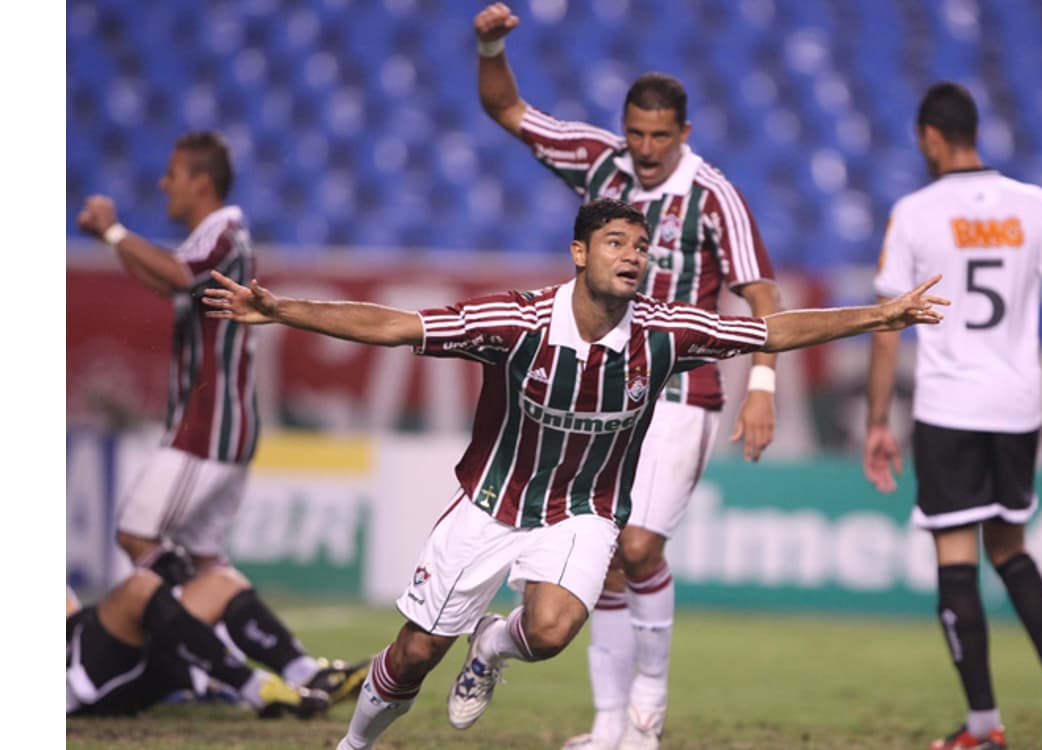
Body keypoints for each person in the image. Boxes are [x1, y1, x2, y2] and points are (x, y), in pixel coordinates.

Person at [201, 198, 948, 750]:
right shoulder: (516, 322)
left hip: (585, 512)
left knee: (554, 629)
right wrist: (285, 310)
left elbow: (767, 329)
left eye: (641, 245)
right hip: (493, 505)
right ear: (579, 254)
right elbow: (400, 327)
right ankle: (355, 743)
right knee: (416, 652)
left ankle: (492, 647)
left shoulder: (665, 332)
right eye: (616, 242)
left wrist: (880, 317)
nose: (633, 255)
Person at [474, 6, 784, 747]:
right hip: (601, 382)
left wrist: (763, 385)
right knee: (607, 557)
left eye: (660, 136)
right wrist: (489, 46)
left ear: (684, 132)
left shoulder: (713, 195)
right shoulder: (598, 158)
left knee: (640, 546)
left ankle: (649, 704)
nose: (644, 150)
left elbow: (763, 296)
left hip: (680, 385)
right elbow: (506, 108)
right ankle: (612, 728)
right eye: (636, 133)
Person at [862, 82, 1042, 750]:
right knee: (1010, 549)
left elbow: (886, 327)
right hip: (1017, 406)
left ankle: (984, 728)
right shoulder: (1035, 204)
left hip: (948, 405)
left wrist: (878, 420)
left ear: (930, 138)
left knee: (956, 560)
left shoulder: (913, 212)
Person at [74, 131, 366, 704]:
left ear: (201, 182)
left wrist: (112, 231)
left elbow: (175, 277)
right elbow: (171, 276)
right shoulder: (217, 235)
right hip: (221, 422)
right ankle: (304, 671)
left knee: (137, 534)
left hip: (208, 425)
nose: (164, 184)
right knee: (207, 562)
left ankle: (222, 669)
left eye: (174, 174)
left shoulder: (221, 231)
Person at [67, 566, 330, 719]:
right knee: (138, 589)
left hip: (118, 648)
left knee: (221, 581)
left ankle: (309, 675)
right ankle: (252, 686)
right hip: (83, 673)